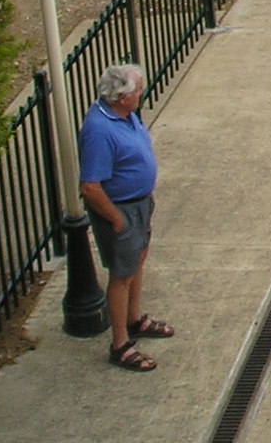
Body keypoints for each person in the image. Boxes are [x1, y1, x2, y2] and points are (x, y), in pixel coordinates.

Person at [79, 63, 171, 371]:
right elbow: (90, 187)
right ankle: (120, 344)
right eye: (138, 91)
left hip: (140, 205)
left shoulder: (126, 116)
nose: (142, 94)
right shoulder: (99, 130)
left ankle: (135, 319)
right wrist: (117, 220)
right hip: (123, 210)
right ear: (121, 97)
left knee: (136, 263)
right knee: (122, 275)